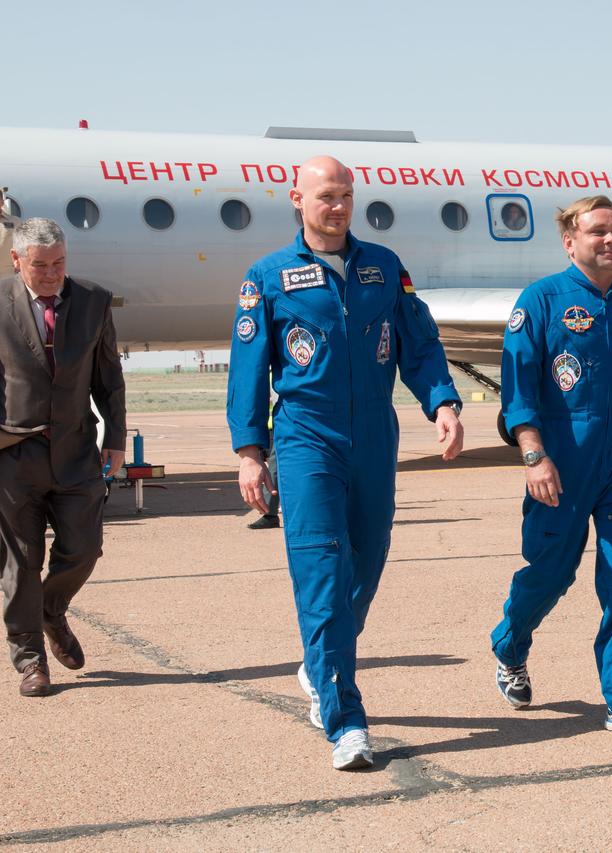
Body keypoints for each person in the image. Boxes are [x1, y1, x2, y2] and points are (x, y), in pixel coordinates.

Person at [227, 156, 464, 770]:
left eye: (345, 196)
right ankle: (345, 719)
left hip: (375, 434)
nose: (336, 206)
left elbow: (419, 343)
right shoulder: (268, 276)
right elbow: (248, 370)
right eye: (325, 196)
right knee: (323, 570)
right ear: (297, 199)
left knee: (370, 555)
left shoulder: (383, 267)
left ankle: (319, 662)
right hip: (307, 436)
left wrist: (442, 402)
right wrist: (251, 453)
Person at [491, 195, 612, 738]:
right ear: (570, 242)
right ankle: (510, 646)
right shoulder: (541, 300)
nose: (610, 239)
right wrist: (534, 456)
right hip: (560, 459)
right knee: (551, 573)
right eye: (598, 231)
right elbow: (518, 388)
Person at [0, 218, 126, 697]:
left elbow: (108, 378)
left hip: (76, 451)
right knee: (21, 562)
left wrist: (116, 436)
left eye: (60, 263)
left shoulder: (94, 301)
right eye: (41, 266)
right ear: (16, 260)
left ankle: (51, 610)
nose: (53, 274)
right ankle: (30, 659)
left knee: (84, 548)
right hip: (14, 453)